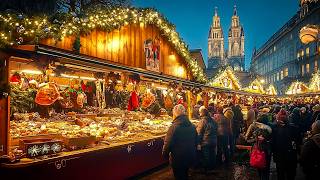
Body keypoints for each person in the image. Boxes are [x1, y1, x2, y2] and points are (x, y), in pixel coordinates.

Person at [162, 104, 197, 180]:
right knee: (185, 174)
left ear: (175, 114)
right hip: (189, 156)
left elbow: (167, 144)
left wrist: (164, 155)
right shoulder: (192, 126)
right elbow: (196, 141)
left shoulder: (173, 127)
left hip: (178, 159)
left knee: (179, 176)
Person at [272, 109, 299, 180]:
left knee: (281, 174)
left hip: (279, 156)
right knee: (290, 174)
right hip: (291, 156)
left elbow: (273, 144)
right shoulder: (293, 128)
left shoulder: (274, 128)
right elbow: (298, 141)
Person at [245, 109, 272, 180]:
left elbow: (246, 139)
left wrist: (255, 140)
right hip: (267, 149)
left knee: (259, 165)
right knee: (266, 168)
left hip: (256, 148)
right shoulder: (270, 127)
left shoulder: (253, 126)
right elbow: (273, 139)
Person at [197, 106, 218, 173]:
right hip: (214, 140)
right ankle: (213, 168)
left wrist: (198, 143)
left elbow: (199, 133)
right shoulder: (213, 120)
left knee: (206, 156)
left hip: (206, 142)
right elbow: (216, 129)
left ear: (202, 114)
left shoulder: (202, 121)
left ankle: (207, 170)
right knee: (212, 154)